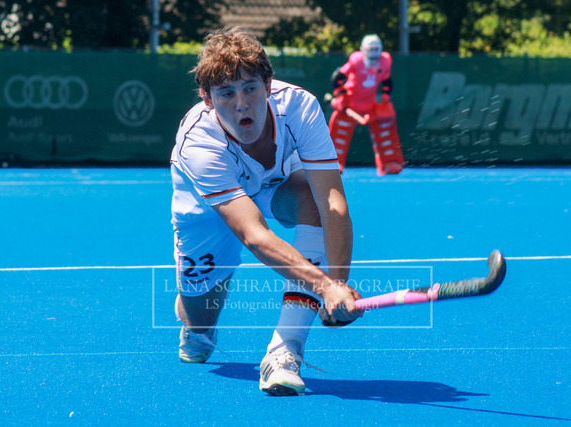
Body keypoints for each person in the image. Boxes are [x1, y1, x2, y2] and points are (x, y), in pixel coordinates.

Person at [170, 26, 362, 396]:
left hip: (272, 185)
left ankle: (284, 351)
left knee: (311, 199)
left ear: (268, 86)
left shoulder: (300, 107)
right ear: (207, 99)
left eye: (250, 89)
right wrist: (324, 286)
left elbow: (333, 203)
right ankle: (195, 322)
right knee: (200, 318)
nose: (242, 104)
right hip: (207, 208)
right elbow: (254, 234)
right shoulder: (198, 144)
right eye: (226, 93)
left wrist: (338, 284)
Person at [328, 34, 405, 175]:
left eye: (376, 49)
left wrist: (385, 99)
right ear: (363, 49)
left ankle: (389, 162)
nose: (373, 53)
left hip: (370, 104)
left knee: (385, 127)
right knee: (339, 132)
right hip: (350, 104)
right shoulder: (356, 61)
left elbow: (387, 81)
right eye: (370, 49)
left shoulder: (385, 61)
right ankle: (332, 162)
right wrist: (340, 94)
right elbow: (337, 77)